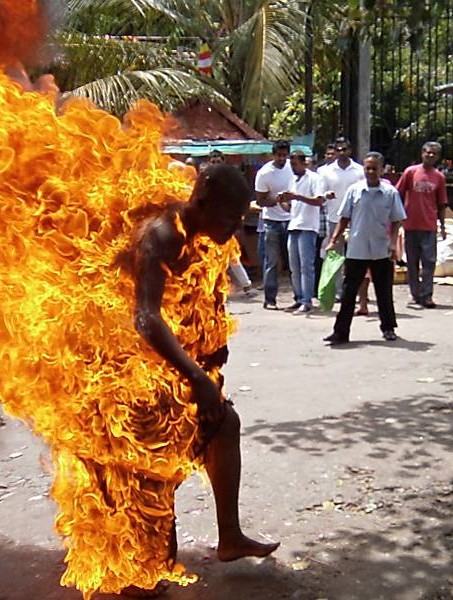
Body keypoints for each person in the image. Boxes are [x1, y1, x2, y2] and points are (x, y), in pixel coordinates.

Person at [127, 163, 279, 595]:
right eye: (230, 218)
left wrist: (208, 353)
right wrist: (195, 376)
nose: (234, 229)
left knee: (222, 425)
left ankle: (229, 537)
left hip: (181, 365)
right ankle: (145, 560)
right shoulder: (160, 235)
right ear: (202, 201)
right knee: (158, 459)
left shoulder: (206, 236)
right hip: (136, 368)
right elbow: (146, 318)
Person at [323, 152, 406, 345]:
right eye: (367, 168)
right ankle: (341, 332)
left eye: (374, 168)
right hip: (357, 249)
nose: (370, 172)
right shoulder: (354, 191)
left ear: (382, 169)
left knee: (383, 291)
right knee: (349, 292)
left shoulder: (390, 193)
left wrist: (393, 244)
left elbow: (396, 221)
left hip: (380, 249)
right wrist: (333, 239)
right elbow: (344, 218)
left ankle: (388, 328)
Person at [397, 141, 448, 308]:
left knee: (429, 262)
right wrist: (397, 219)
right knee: (412, 262)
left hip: (429, 226)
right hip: (410, 224)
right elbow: (398, 194)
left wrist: (443, 225)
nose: (430, 155)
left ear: (438, 157)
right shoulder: (410, 172)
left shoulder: (439, 177)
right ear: (422, 153)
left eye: (434, 153)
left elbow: (441, 204)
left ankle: (427, 295)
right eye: (427, 152)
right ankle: (415, 294)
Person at [317, 137, 364, 297]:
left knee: (355, 257)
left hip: (355, 220)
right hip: (334, 219)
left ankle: (354, 290)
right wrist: (326, 195)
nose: (341, 153)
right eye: (338, 150)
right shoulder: (326, 171)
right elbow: (320, 194)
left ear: (350, 151)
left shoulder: (359, 170)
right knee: (336, 257)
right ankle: (338, 291)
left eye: (344, 149)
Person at [254, 140, 294, 310]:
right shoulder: (264, 173)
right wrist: (277, 200)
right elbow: (261, 200)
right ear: (273, 155)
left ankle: (300, 297)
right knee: (271, 262)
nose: (282, 159)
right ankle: (270, 299)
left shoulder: (293, 169)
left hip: (292, 220)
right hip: (272, 222)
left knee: (294, 262)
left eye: (285, 155)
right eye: (279, 155)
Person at [282, 150, 323, 313]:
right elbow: (290, 207)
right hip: (294, 225)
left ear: (303, 163)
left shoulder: (314, 178)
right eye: (291, 164)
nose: (293, 167)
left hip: (308, 226)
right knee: (294, 266)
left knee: (306, 266)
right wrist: (282, 202)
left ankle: (307, 299)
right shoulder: (292, 179)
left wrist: (298, 197)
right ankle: (298, 297)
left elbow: (319, 201)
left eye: (295, 164)